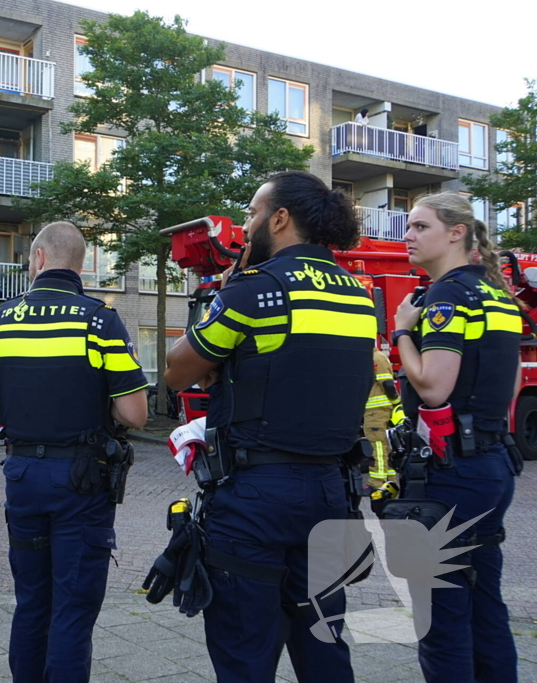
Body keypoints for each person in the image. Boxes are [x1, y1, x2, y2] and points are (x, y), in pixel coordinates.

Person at [164, 171, 377, 682]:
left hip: (255, 499)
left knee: (246, 650)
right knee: (324, 643)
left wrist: (231, 296)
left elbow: (176, 370)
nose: (246, 224)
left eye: (254, 213)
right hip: (331, 495)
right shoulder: (357, 295)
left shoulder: (256, 291)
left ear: (280, 219)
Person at [0, 221, 148, 682]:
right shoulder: (100, 320)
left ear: (38, 259)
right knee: (72, 606)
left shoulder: (0, 320)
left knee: (32, 599)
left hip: (23, 475)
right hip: (81, 480)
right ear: (82, 263)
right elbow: (135, 414)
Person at [392, 192, 520, 682]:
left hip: (451, 475)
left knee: (442, 617)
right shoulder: (497, 294)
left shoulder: (446, 295)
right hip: (491, 464)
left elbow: (433, 386)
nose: (409, 235)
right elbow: (508, 386)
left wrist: (403, 331)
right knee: (486, 606)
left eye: (421, 226)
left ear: (456, 232)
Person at [364, 345, 401, 484]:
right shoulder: (371, 357)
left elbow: (388, 385)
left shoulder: (376, 358)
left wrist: (397, 402)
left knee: (377, 445)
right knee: (385, 446)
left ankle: (377, 482)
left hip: (376, 411)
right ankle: (389, 480)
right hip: (376, 410)